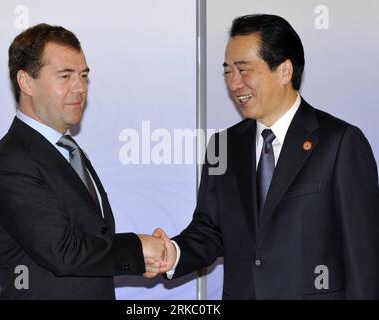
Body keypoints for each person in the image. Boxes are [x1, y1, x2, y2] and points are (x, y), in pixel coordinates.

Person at [155, 14, 379, 299]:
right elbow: (209, 231)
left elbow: (364, 257)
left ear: (284, 71)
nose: (234, 84)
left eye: (244, 69)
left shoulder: (340, 143)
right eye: (228, 72)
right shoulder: (223, 145)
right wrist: (171, 253)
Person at [0, 23, 165, 300]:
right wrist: (137, 249)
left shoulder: (68, 150)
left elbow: (93, 238)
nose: (80, 88)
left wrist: (143, 256)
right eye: (65, 76)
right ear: (26, 82)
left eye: (84, 76)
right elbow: (63, 251)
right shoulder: (10, 163)